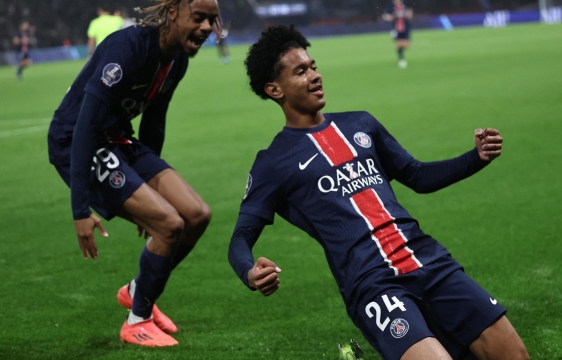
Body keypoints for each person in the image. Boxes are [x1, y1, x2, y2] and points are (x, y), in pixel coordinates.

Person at [228, 25, 530, 360]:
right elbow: (241, 237)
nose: (315, 76)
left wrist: (475, 158)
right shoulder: (273, 162)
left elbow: (417, 175)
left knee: (513, 354)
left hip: (427, 259)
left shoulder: (361, 124)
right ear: (274, 89)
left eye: (313, 66)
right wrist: (250, 273)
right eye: (301, 71)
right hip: (372, 284)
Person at [47, 0, 222, 347]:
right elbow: (83, 127)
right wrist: (80, 209)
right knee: (170, 225)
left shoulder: (177, 60)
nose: (206, 28)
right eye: (198, 17)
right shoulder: (125, 48)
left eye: (212, 20)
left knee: (197, 215)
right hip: (76, 141)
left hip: (118, 138)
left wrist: (146, 190)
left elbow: (154, 121)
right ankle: (136, 321)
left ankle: (136, 292)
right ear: (173, 12)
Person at [382, 0, 413, 69]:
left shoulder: (405, 4)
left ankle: (401, 55)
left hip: (405, 28)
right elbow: (385, 15)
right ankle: (401, 59)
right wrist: (390, 17)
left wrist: (409, 14)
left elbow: (410, 13)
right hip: (396, 28)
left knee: (407, 45)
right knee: (398, 44)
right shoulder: (391, 6)